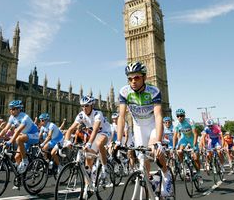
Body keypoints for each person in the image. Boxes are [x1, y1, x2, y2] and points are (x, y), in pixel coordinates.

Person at [116, 61, 172, 196]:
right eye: (130, 78)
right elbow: (122, 117)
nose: (133, 81)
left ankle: (166, 173)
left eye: (137, 78)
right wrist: (118, 141)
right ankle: (148, 188)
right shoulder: (124, 92)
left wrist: (158, 141)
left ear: (144, 77)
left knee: (155, 151)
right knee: (142, 159)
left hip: (153, 125)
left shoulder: (154, 91)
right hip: (138, 126)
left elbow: (158, 116)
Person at [64, 95, 111, 179]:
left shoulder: (97, 113)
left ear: (92, 105)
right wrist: (67, 141)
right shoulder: (81, 115)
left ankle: (105, 167)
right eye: (82, 106)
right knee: (88, 160)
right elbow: (70, 129)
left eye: (86, 106)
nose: (84, 108)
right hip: (94, 135)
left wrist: (89, 142)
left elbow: (96, 129)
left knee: (99, 143)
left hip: (105, 132)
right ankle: (87, 187)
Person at [0, 100, 39, 174]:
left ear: (19, 109)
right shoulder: (12, 117)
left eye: (13, 109)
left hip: (34, 135)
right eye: (10, 109)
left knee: (19, 139)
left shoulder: (25, 117)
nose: (11, 111)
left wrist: (10, 142)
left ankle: (25, 160)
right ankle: (20, 175)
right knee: (17, 157)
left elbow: (18, 131)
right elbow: (5, 129)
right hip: (25, 137)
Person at [173, 108, 203, 184]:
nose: (180, 117)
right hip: (184, 139)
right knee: (179, 151)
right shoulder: (176, 123)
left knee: (196, 158)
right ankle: (182, 165)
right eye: (178, 116)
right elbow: (175, 136)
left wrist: (193, 146)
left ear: (184, 116)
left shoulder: (190, 121)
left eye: (181, 116)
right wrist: (173, 147)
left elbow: (195, 134)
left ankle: (198, 173)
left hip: (192, 138)